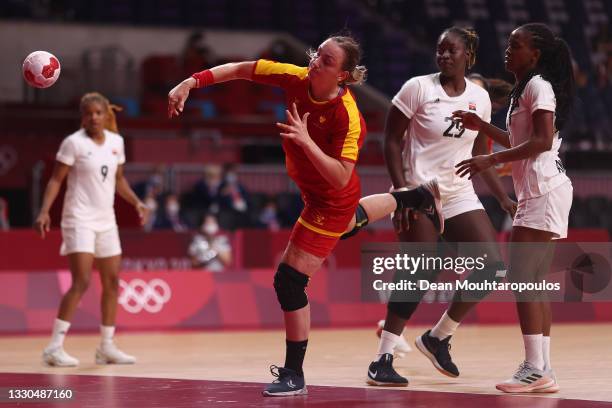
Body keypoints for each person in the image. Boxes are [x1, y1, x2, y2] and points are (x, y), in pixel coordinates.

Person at [168, 33, 440, 397]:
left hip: (331, 200)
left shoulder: (348, 115)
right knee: (346, 228)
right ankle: (411, 197)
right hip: (314, 191)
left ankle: (294, 374)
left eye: (327, 61)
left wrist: (305, 139)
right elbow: (240, 69)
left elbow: (341, 175)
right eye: (317, 54)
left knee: (289, 280)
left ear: (343, 75)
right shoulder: (296, 77)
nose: (315, 62)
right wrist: (191, 82)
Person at [353, 27, 516, 387]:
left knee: (492, 267)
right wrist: (402, 191)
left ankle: (438, 336)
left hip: (459, 194)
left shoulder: (480, 97)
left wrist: (503, 198)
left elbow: (480, 153)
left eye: (451, 51)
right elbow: (392, 140)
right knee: (421, 268)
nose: (443, 56)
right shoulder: (418, 88)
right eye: (439, 50)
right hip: (420, 191)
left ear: (468, 56)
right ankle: (382, 358)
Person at [454, 22, 575, 393]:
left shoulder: (538, 86)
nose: (508, 50)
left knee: (524, 281)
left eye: (516, 45)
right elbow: (518, 138)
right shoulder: (525, 88)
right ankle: (544, 370)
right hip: (545, 190)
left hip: (542, 190)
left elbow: (539, 141)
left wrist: (490, 161)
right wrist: (482, 127)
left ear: (535, 55)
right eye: (508, 43)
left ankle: (534, 368)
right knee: (533, 282)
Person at [35, 92, 149, 367]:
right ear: (82, 117)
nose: (94, 118)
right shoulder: (72, 143)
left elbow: (118, 180)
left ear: (106, 115)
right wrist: (44, 210)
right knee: (82, 281)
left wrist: (136, 202)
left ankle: (107, 347)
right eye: (89, 114)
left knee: (112, 283)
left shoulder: (116, 142)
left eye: (98, 113)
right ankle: (54, 347)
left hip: (106, 220)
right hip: (78, 219)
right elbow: (55, 180)